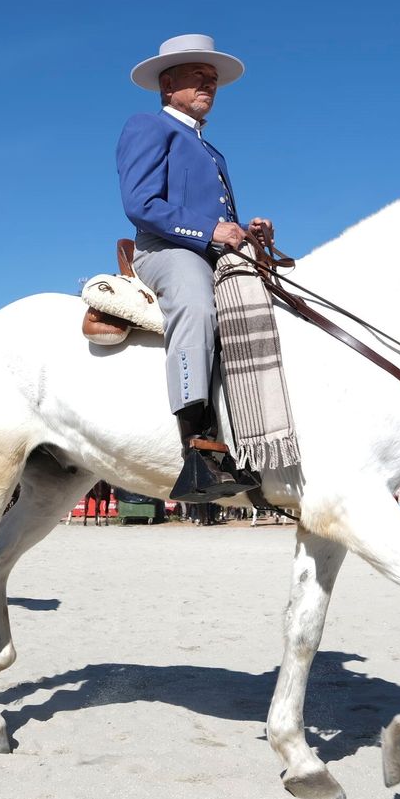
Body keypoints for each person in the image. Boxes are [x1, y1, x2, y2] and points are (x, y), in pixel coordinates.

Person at [118, 34, 272, 502]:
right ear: (168, 84)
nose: (210, 83)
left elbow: (219, 220)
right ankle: (199, 448)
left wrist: (245, 231)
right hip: (165, 249)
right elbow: (140, 203)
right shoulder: (148, 126)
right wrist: (210, 231)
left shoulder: (212, 150)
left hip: (209, 248)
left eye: (214, 79)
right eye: (198, 75)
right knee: (197, 305)